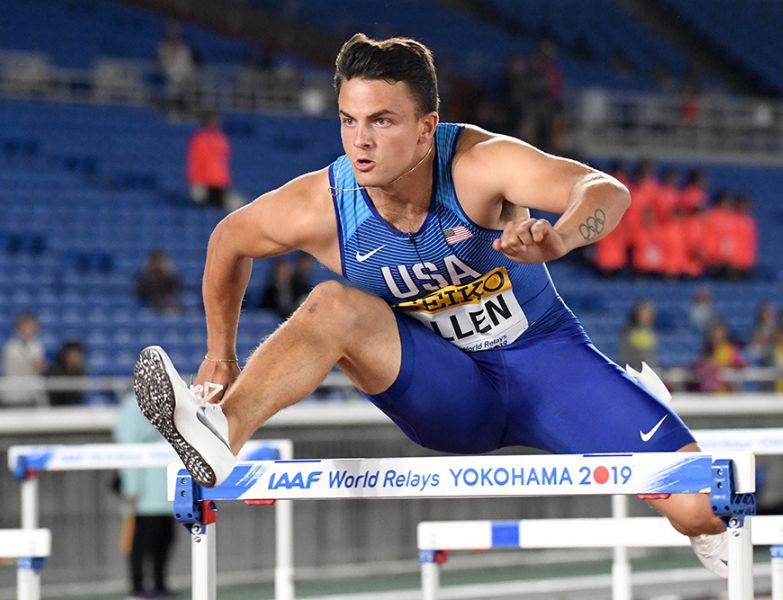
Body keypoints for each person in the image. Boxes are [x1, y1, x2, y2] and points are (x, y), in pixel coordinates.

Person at [133, 34, 728, 577]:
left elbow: (605, 191)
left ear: (426, 128)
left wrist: (562, 235)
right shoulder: (323, 207)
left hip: (544, 364)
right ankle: (221, 434)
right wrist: (219, 354)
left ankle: (643, 432)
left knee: (701, 508)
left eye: (382, 121)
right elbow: (228, 242)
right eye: (348, 121)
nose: (360, 141)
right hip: (446, 389)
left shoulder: (478, 163)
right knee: (332, 304)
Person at [114, 392, 177, 600]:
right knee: (141, 544)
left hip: (162, 492)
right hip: (144, 497)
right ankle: (138, 587)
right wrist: (131, 489)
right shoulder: (134, 406)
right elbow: (128, 448)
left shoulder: (162, 401)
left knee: (163, 541)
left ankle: (159, 585)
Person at [187, 111, 232, 210]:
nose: (215, 122)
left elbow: (223, 162)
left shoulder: (222, 139)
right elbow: (195, 162)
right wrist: (195, 182)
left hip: (220, 182)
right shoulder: (198, 139)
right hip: (203, 182)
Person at [1, 312, 47, 406]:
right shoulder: (10, 348)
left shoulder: (37, 347)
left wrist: (40, 367)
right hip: (13, 396)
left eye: (32, 327)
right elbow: (13, 370)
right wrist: (34, 365)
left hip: (31, 395)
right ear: (18, 328)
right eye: (26, 326)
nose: (29, 330)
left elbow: (38, 370)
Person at [135, 249, 182, 314]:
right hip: (150, 305)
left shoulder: (169, 276)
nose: (157, 264)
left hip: (167, 303)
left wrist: (168, 272)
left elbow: (176, 288)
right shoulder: (144, 278)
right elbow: (140, 293)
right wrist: (151, 276)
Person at [618, 300, 659, 370]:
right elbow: (625, 355)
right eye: (643, 311)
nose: (645, 315)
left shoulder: (652, 331)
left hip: (650, 370)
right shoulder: (628, 332)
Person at [45, 340, 87, 406]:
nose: (75, 357)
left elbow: (79, 395)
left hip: (73, 409)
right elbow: (54, 394)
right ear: (65, 354)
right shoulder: (54, 370)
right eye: (73, 353)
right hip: (54, 409)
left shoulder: (81, 371)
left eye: (78, 354)